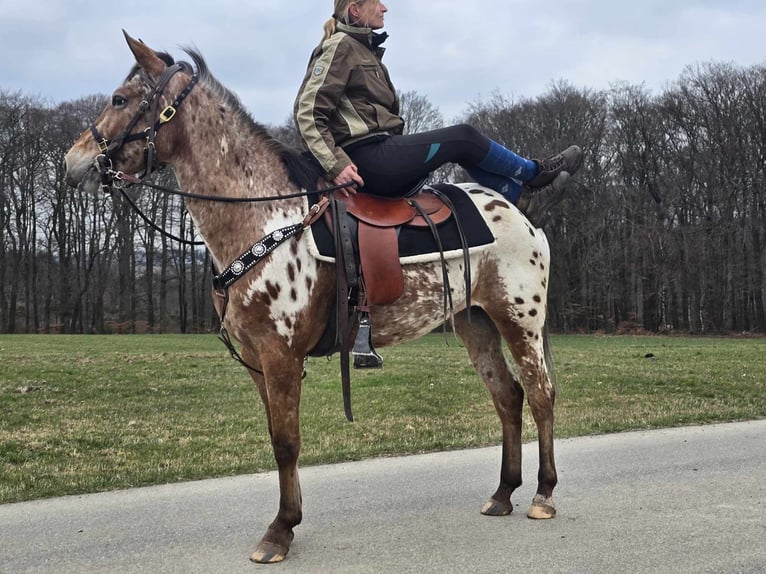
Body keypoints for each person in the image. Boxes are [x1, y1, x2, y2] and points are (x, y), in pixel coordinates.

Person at [294, 0, 584, 223]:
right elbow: (308, 111)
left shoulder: (363, 50)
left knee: (461, 148)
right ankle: (535, 172)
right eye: (377, 2)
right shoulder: (339, 46)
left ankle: (523, 200)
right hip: (365, 160)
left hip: (380, 152)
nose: (385, 7)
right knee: (463, 138)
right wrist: (336, 165)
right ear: (356, 10)